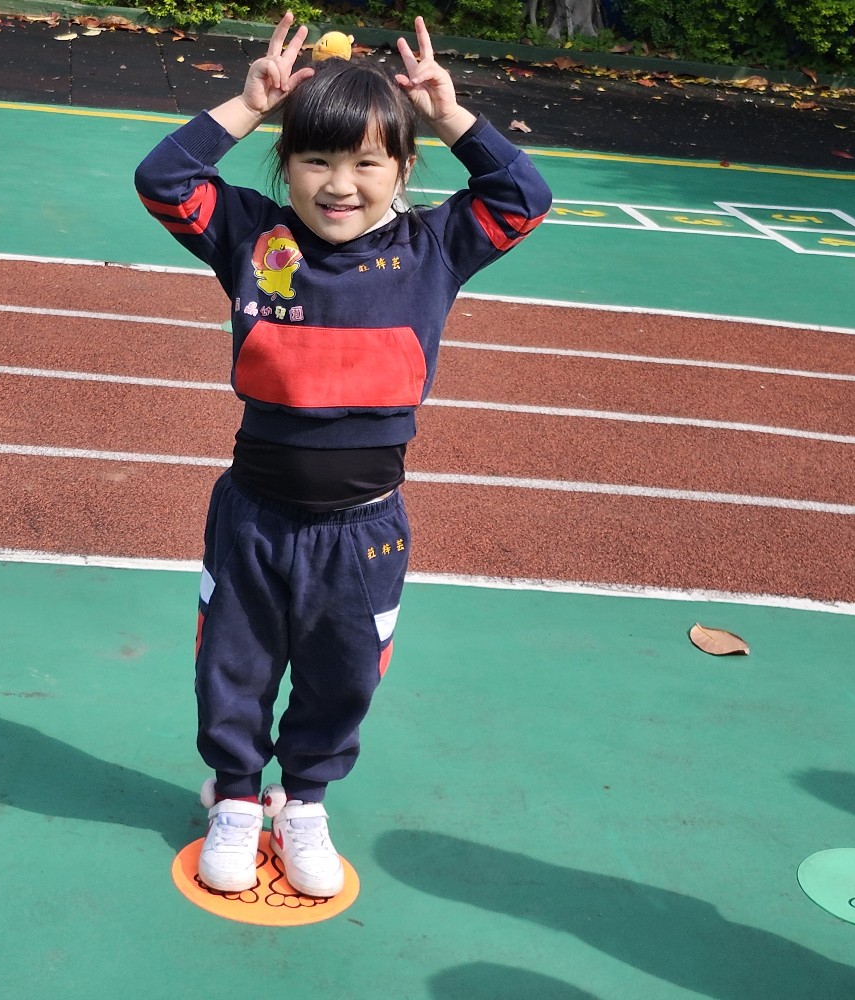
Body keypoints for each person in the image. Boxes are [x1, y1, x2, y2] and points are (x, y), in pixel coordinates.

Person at [135, 12, 550, 897]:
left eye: (367, 163)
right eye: (316, 160)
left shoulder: (432, 247)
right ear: (283, 166)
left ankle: (305, 801)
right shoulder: (250, 237)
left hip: (364, 533)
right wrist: (248, 106)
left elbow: (523, 196)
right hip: (252, 520)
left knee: (344, 676)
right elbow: (164, 180)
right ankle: (236, 798)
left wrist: (450, 116)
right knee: (232, 669)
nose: (339, 184)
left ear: (403, 169)